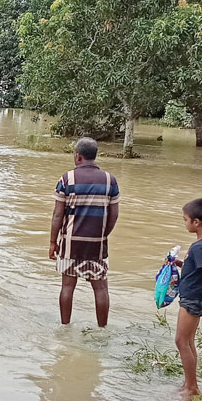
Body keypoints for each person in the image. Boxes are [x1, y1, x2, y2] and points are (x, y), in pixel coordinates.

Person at [49, 137, 120, 327]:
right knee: (100, 288)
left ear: (77, 156)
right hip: (97, 245)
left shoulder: (66, 179)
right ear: (95, 156)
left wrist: (53, 242)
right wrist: (103, 235)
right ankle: (102, 329)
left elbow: (57, 215)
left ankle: (65, 326)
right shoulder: (109, 180)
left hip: (71, 243)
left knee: (67, 286)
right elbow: (114, 216)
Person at [173, 198, 202, 400]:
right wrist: (182, 263)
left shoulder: (200, 247)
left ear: (196, 222)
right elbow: (199, 269)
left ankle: (191, 387)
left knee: (181, 340)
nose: (184, 223)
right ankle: (189, 383)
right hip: (193, 296)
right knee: (189, 341)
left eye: (185, 219)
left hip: (192, 298)